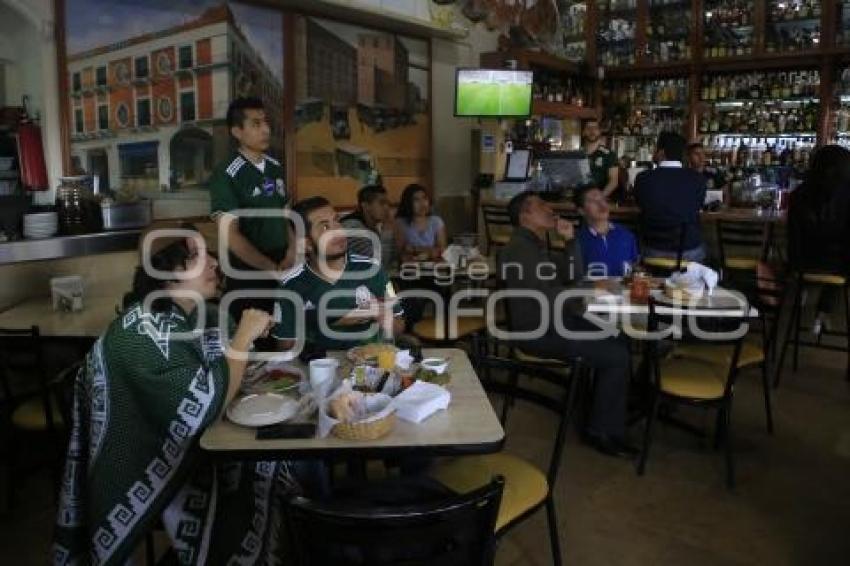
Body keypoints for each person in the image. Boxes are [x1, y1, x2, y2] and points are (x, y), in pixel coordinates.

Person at [53, 227, 310, 565]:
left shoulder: (203, 315)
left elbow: (225, 377)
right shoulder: (138, 334)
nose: (215, 263)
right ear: (170, 273)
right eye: (202, 256)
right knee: (273, 466)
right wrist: (243, 339)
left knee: (289, 453)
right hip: (144, 460)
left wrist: (243, 351)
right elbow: (201, 411)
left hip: (193, 441)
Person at [499, 191, 637, 458]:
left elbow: (573, 274)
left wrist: (571, 242)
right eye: (541, 206)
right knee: (616, 355)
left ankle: (604, 406)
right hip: (540, 331)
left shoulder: (537, 245)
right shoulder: (518, 249)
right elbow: (544, 297)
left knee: (620, 337)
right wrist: (589, 287)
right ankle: (602, 431)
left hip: (558, 321)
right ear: (524, 215)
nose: (550, 209)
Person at [272, 196, 405, 352]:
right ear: (307, 244)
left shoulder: (373, 269)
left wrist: (385, 317)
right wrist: (330, 324)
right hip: (318, 370)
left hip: (370, 366)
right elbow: (285, 347)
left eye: (337, 221)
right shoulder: (290, 286)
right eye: (325, 227)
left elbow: (399, 326)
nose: (338, 231)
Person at [208, 97, 293, 320]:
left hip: (283, 265)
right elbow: (231, 236)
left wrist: (292, 252)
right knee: (254, 338)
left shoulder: (275, 168)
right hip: (248, 270)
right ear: (237, 131)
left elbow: (285, 216)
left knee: (284, 330)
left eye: (266, 122)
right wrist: (270, 267)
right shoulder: (226, 174)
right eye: (256, 124)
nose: (266, 129)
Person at [788, 144, 850, 334]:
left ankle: (805, 293)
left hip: (800, 264)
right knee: (843, 268)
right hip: (837, 265)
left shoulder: (798, 194)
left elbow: (793, 236)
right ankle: (823, 312)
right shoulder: (846, 194)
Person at [635, 132, 707, 262]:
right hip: (688, 252)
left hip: (653, 251)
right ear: (684, 155)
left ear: (661, 152)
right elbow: (697, 207)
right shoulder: (698, 179)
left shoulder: (643, 178)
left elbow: (640, 206)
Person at [575, 186, 639, 277]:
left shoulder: (626, 235)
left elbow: (634, 266)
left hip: (623, 289)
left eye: (603, 199)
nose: (601, 204)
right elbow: (575, 278)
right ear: (581, 211)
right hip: (591, 290)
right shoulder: (577, 241)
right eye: (593, 201)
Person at [340, 184, 395, 265]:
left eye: (387, 203)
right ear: (365, 206)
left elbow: (391, 258)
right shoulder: (353, 227)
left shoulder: (372, 227)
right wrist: (387, 231)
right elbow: (378, 264)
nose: (387, 208)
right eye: (382, 203)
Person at [394, 184, 447, 262]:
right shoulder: (401, 223)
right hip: (410, 269)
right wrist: (430, 251)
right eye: (416, 200)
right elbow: (401, 252)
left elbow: (442, 250)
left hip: (434, 267)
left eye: (424, 198)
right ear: (408, 203)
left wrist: (415, 249)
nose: (422, 203)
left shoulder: (436, 222)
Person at [582, 119, 619, 199]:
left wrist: (599, 198)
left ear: (600, 131)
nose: (592, 131)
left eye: (595, 128)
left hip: (599, 200)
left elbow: (614, 181)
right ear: (583, 132)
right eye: (588, 128)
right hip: (579, 199)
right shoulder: (577, 154)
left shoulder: (609, 155)